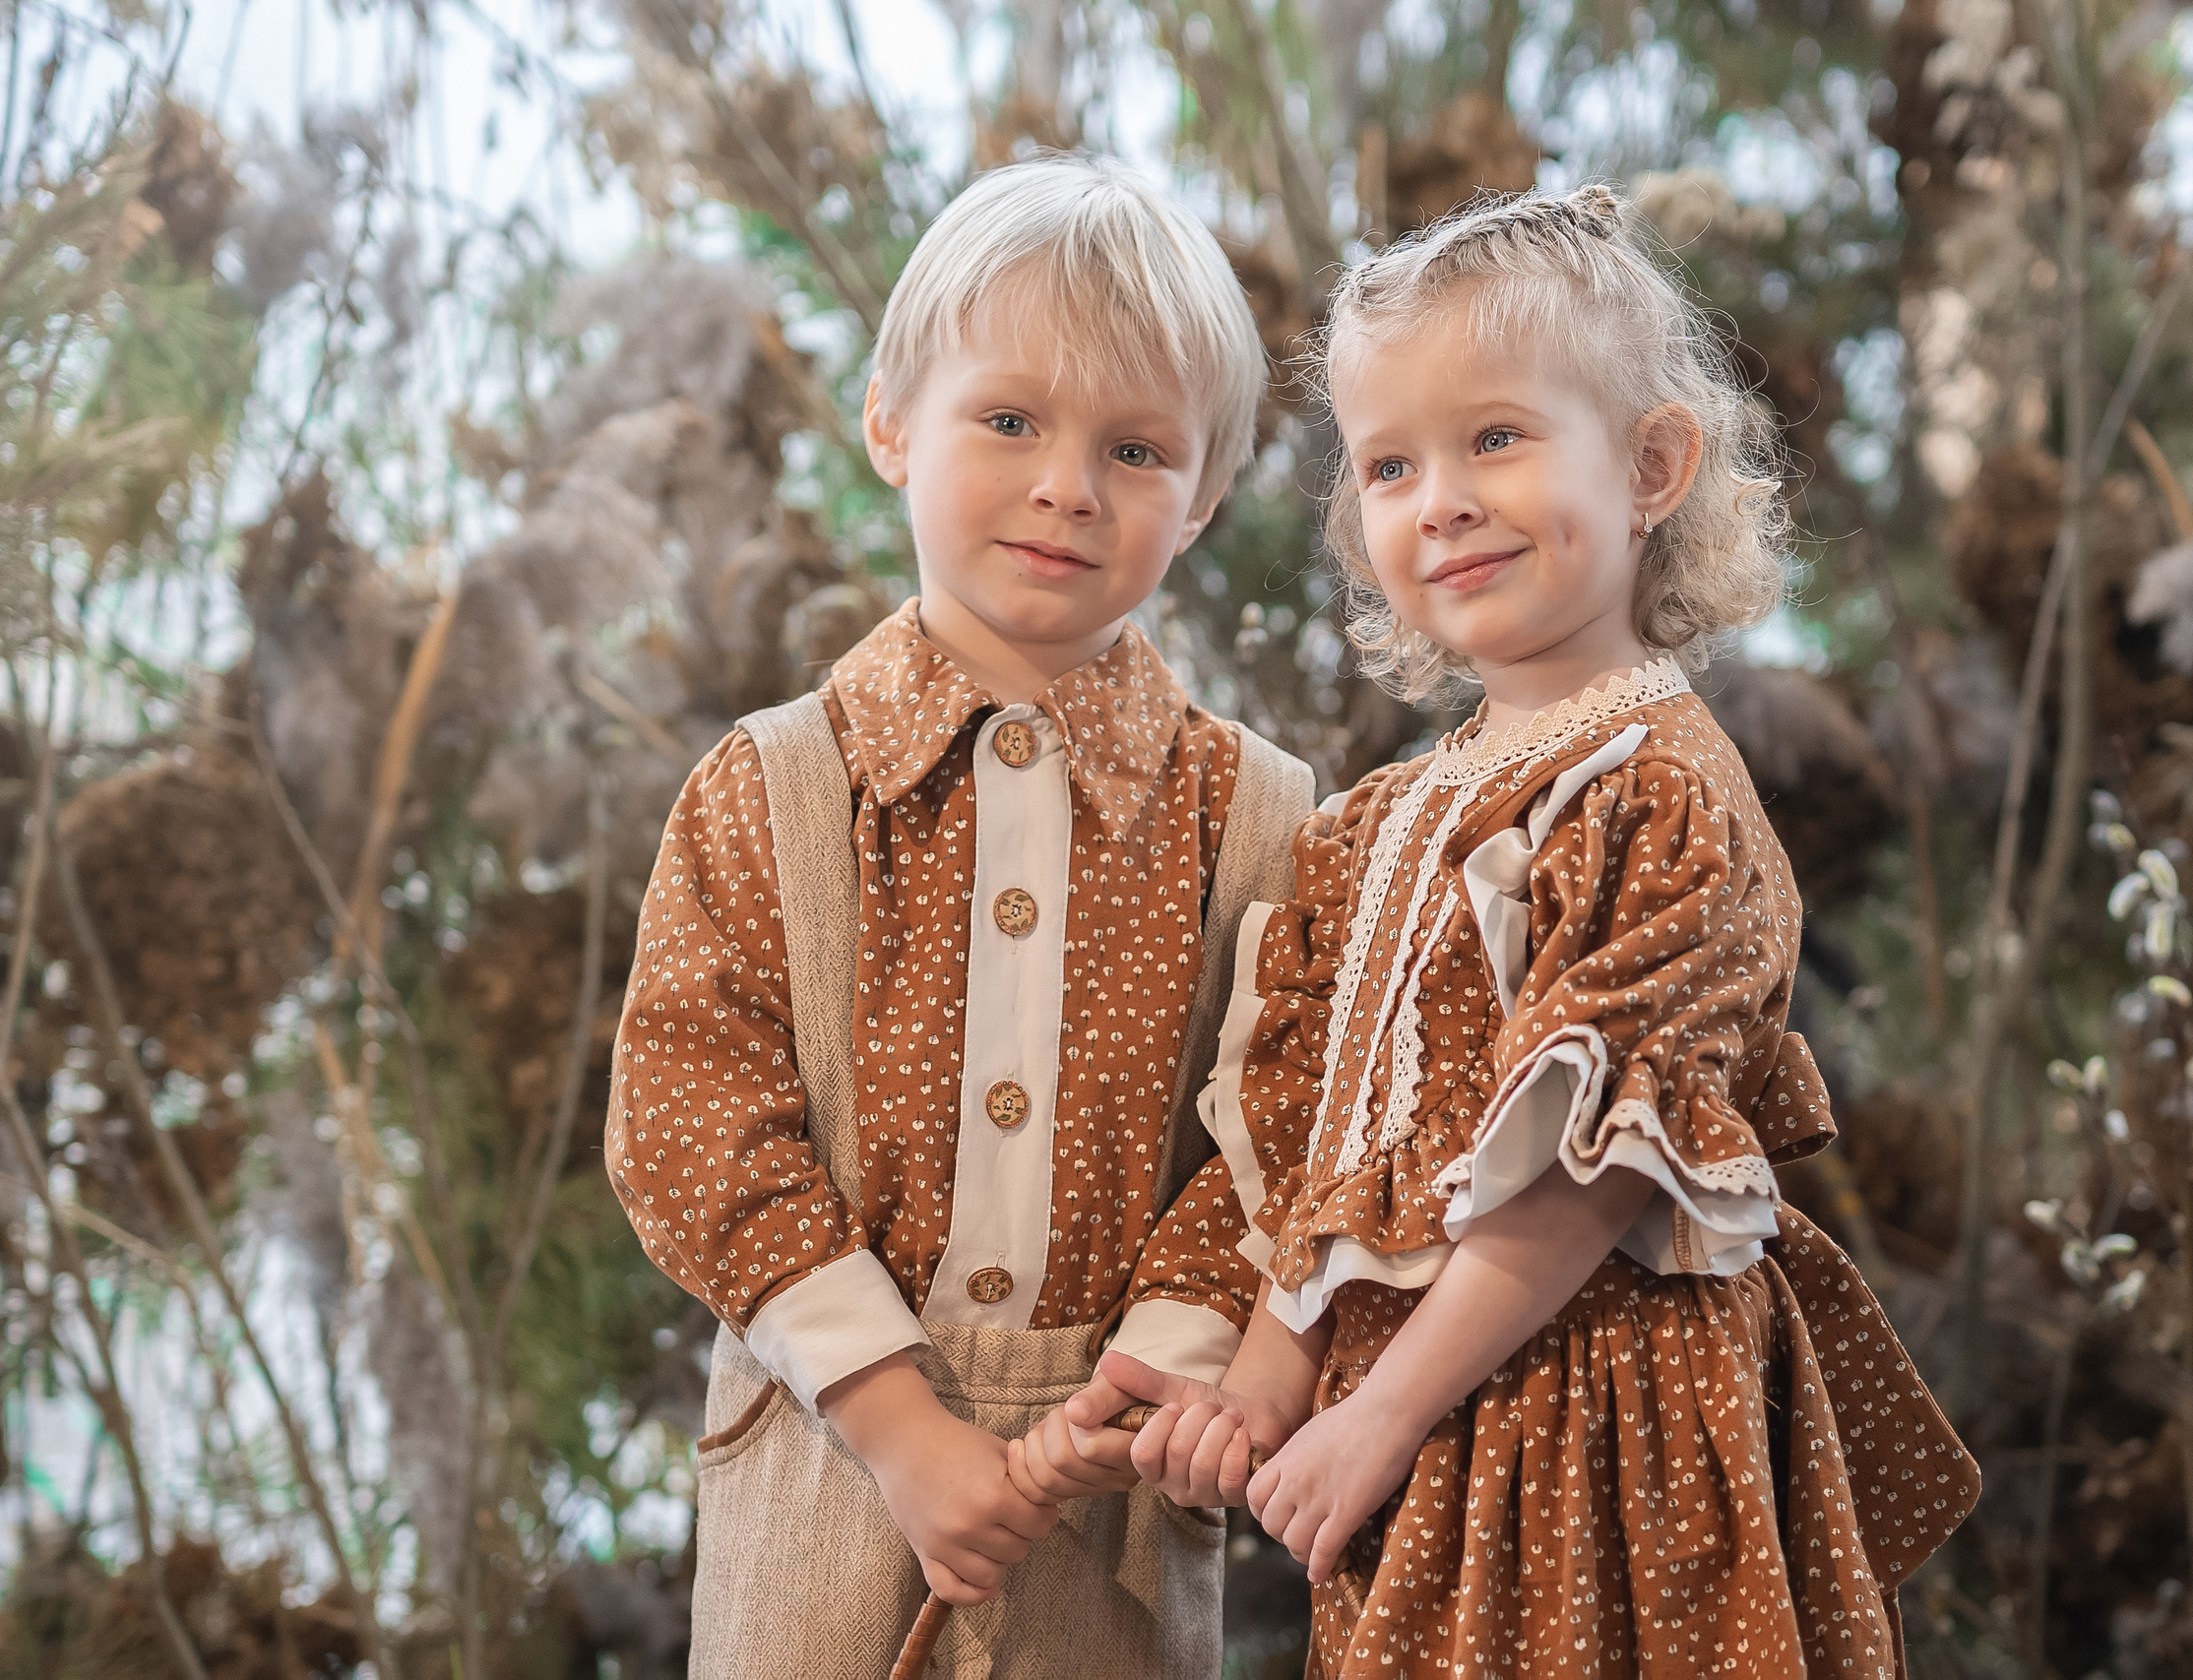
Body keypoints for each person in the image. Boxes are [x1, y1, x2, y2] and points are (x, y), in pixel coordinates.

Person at [1081, 183, 1981, 1675]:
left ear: (1650, 468)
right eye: (1390, 464)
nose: (1439, 499)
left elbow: (1591, 1172)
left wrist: (1380, 1411)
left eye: (1496, 437)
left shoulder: (1657, 795)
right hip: (1420, 1448)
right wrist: (1267, 1380)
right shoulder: (1374, 824)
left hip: (1595, 1424)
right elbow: (1327, 1158)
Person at [602, 154, 1316, 1678]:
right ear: (889, 423)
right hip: (827, 1463)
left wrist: (1161, 1378)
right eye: (1009, 421)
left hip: (1111, 1491)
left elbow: (1278, 1125)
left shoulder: (1258, 815)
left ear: (1201, 498)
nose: (1068, 485)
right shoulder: (770, 789)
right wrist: (900, 1428)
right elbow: (692, 1114)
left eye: (1136, 449)